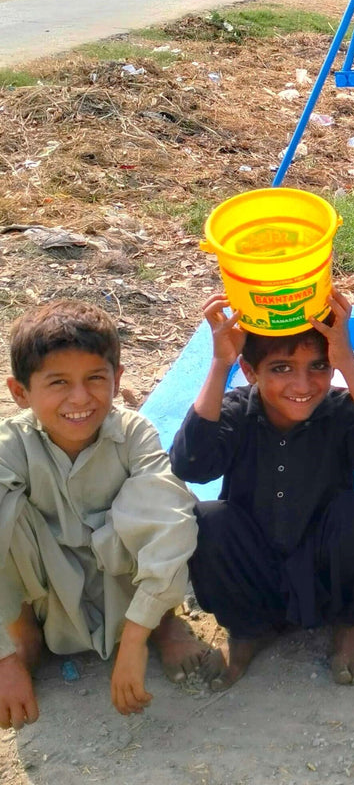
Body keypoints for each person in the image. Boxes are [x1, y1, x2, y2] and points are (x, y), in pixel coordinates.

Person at [170, 287, 354, 692]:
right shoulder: (235, 411)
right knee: (209, 519)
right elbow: (190, 465)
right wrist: (219, 364)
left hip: (325, 574)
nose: (302, 384)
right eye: (281, 368)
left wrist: (347, 361)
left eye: (318, 366)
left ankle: (350, 627)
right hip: (259, 575)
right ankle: (248, 632)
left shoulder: (339, 411)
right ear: (251, 372)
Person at [0, 300, 203, 730]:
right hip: (48, 591)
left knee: (163, 498)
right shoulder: (11, 447)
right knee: (7, 510)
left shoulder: (133, 434)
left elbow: (169, 524)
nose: (80, 398)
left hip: (120, 579)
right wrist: (2, 658)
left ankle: (161, 623)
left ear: (118, 380)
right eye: (58, 382)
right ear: (21, 393)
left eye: (95, 378)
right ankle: (22, 638)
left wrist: (135, 641)